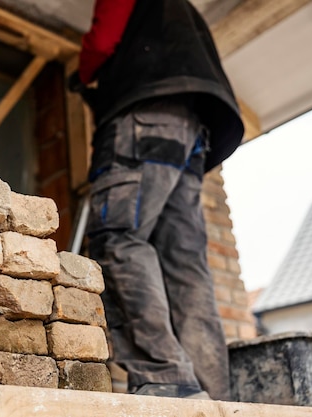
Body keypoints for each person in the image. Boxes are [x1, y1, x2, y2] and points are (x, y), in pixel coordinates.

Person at [69, 0, 244, 401]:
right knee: (186, 266)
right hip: (193, 131)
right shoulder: (183, 12)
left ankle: (166, 376)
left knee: (119, 238)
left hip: (142, 117)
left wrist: (83, 72)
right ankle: (212, 393)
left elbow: (102, 41)